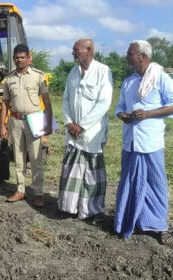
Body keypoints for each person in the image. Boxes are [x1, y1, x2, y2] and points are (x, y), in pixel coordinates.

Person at [114, 40, 173, 243]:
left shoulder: (161, 78)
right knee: (128, 182)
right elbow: (119, 106)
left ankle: (160, 226)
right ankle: (127, 221)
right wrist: (123, 115)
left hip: (150, 142)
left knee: (156, 184)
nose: (126, 56)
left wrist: (148, 113)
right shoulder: (129, 81)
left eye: (129, 53)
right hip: (130, 142)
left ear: (142, 56)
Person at [57, 38, 113, 220]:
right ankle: (69, 207)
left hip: (92, 133)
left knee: (91, 173)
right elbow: (66, 100)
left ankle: (91, 210)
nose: (73, 53)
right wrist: (69, 123)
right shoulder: (73, 72)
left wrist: (82, 126)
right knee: (71, 170)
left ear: (89, 50)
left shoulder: (103, 71)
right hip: (73, 132)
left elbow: (104, 103)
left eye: (76, 50)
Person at [0, 43, 53, 206]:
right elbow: (5, 103)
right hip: (15, 120)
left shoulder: (38, 75)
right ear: (13, 59)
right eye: (16, 57)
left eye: (22, 57)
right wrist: (3, 125)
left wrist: (48, 123)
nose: (19, 60)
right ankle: (20, 190)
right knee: (18, 157)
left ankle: (38, 193)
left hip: (35, 119)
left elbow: (46, 101)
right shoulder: (9, 78)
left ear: (28, 58)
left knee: (36, 157)